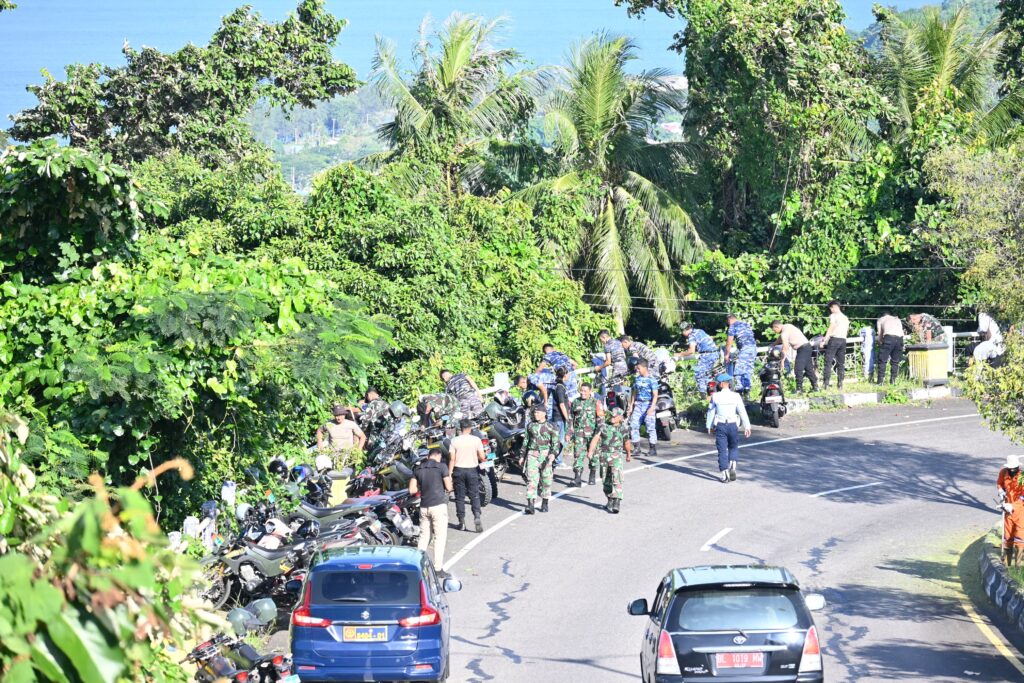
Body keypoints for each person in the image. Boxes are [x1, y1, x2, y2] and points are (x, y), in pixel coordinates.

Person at [410, 447, 453, 574]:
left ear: (428, 456)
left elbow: (412, 490)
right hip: (438, 506)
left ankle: (419, 566)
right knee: (439, 537)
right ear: (438, 456)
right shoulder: (442, 467)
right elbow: (449, 487)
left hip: (424, 507)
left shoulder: (418, 469)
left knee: (424, 537)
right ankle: (438, 568)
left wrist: (422, 489)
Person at [706, 373, 751, 482]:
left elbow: (711, 412)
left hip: (721, 425)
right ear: (729, 384)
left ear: (721, 384)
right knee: (733, 446)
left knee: (722, 450)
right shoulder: (736, 396)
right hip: (733, 424)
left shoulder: (715, 396)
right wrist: (747, 426)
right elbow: (742, 411)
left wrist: (709, 426)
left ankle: (724, 473)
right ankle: (733, 465)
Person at [588, 407, 632, 513]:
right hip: (603, 456)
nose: (612, 417)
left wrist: (628, 454)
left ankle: (617, 501)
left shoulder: (624, 428)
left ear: (621, 417)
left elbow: (626, 442)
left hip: (616, 457)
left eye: (615, 416)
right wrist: (590, 451)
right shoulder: (603, 426)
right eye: (612, 415)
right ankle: (610, 499)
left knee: (616, 478)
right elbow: (595, 438)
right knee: (605, 480)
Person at [448, 419, 486, 533]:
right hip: (472, 470)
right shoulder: (476, 440)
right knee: (474, 495)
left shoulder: (454, 441)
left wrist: (450, 474)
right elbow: (482, 456)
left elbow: (452, 459)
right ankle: (477, 516)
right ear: (470, 428)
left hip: (458, 470)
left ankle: (461, 521)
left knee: (459, 497)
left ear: (460, 428)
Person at [523, 404, 559, 514]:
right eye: (535, 412)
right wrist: (522, 456)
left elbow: (556, 444)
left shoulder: (551, 426)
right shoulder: (530, 426)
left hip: (546, 455)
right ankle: (530, 505)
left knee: (546, 479)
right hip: (532, 454)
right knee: (531, 479)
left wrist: (553, 454)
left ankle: (545, 502)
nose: (536, 414)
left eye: (538, 412)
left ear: (544, 413)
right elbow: (526, 441)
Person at [569, 382, 604, 487]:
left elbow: (601, 419)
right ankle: (577, 478)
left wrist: (598, 433)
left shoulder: (596, 402)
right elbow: (571, 418)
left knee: (594, 455)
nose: (582, 393)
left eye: (585, 391)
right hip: (579, 434)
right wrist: (569, 431)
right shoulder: (576, 402)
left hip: (593, 434)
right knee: (578, 454)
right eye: (581, 390)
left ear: (590, 392)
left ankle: (592, 474)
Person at [771, 320, 819, 393]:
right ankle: (815, 386)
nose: (775, 332)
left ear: (776, 327)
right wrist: (774, 344)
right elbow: (780, 339)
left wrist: (782, 361)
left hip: (803, 348)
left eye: (774, 330)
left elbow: (785, 347)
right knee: (808, 369)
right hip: (807, 347)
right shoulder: (788, 326)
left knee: (798, 368)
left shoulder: (784, 333)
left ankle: (799, 389)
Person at [675, 323, 719, 396]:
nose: (682, 334)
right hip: (715, 353)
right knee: (709, 375)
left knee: (699, 374)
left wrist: (679, 354)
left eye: (682, 332)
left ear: (685, 330)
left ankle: (703, 396)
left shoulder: (691, 336)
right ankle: (712, 394)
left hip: (707, 355)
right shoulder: (699, 331)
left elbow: (691, 351)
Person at [628, 361, 659, 457]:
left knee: (650, 427)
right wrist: (631, 405)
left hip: (648, 404)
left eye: (639, 368)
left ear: (645, 368)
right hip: (638, 405)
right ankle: (637, 448)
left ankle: (652, 449)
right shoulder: (637, 379)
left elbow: (655, 395)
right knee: (634, 425)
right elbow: (634, 392)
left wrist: (652, 408)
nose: (637, 370)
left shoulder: (652, 380)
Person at [998, 454, 1024, 566]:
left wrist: (1013, 506)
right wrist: (1000, 491)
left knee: (1020, 540)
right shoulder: (1003, 473)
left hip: (1020, 512)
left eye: (1014, 468)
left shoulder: (1022, 477)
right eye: (1010, 468)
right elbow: (999, 483)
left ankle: (1018, 566)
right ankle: (1007, 566)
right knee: (1007, 538)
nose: (1012, 470)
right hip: (1008, 512)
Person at [724, 313, 757, 395]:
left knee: (738, 371)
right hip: (753, 348)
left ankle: (740, 391)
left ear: (729, 320)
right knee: (747, 370)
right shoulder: (745, 324)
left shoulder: (732, 326)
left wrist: (726, 355)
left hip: (745, 349)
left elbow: (729, 342)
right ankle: (747, 389)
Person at [821, 301, 850, 390]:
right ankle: (840, 383)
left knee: (828, 361)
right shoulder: (845, 317)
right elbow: (847, 330)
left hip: (834, 339)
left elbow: (831, 327)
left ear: (834, 307)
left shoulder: (834, 316)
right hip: (843, 340)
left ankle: (826, 383)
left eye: (830, 308)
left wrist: (825, 340)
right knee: (841, 363)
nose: (830, 310)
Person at [550, 367, 573, 468]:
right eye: (568, 374)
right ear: (564, 375)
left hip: (561, 417)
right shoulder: (559, 387)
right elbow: (561, 404)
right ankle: (557, 461)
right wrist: (567, 418)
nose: (569, 375)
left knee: (561, 439)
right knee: (560, 440)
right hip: (559, 417)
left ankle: (557, 459)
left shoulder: (561, 386)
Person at [875, 310, 905, 384]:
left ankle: (880, 382)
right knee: (895, 362)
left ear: (883, 315)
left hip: (889, 338)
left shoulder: (881, 319)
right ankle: (893, 381)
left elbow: (880, 335)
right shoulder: (897, 319)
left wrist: (880, 342)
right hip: (900, 339)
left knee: (882, 360)